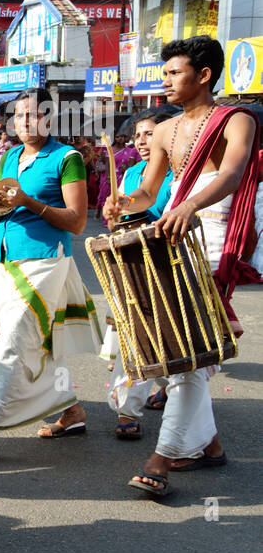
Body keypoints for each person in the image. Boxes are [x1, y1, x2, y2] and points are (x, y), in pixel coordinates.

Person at [105, 36, 260, 498]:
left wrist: (190, 203)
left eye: (174, 72)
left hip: (215, 236)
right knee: (186, 344)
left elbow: (232, 174)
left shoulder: (237, 119)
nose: (166, 80)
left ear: (204, 74)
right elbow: (149, 193)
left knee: (187, 356)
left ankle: (163, 458)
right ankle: (208, 446)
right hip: (174, 234)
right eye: (166, 72)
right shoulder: (166, 131)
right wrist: (123, 202)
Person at [0, 87, 100, 467]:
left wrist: (28, 203)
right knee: (34, 340)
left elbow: (78, 221)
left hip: (43, 262)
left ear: (50, 119)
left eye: (33, 115)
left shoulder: (66, 158)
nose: (24, 122)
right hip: (2, 262)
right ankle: (71, 411)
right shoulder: (9, 157)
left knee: (11, 346)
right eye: (18, 116)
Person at [101, 105, 177, 441]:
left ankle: (167, 386)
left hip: (171, 262)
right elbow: (122, 214)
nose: (142, 141)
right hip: (134, 263)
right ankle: (128, 408)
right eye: (137, 136)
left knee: (169, 335)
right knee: (135, 337)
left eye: (149, 134)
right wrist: (114, 210)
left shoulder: (182, 173)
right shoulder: (132, 175)